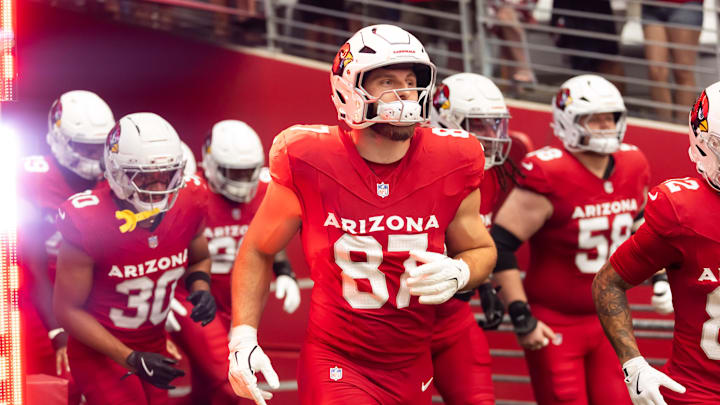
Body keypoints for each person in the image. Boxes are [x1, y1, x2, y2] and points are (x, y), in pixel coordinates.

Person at [227, 24, 497, 405]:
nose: (406, 93)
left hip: (412, 362)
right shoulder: (307, 158)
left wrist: (462, 272)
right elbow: (257, 248)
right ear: (348, 90)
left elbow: (481, 248)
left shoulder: (453, 158)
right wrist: (243, 335)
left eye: (411, 80)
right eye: (388, 81)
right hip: (338, 359)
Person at [490, 74, 658, 405]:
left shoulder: (633, 162)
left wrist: (662, 275)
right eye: (593, 118)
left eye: (610, 117)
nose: (605, 125)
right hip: (556, 320)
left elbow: (641, 221)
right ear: (568, 121)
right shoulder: (549, 171)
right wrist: (522, 316)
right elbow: (500, 244)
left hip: (612, 316)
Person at [53, 112, 217, 405]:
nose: (157, 188)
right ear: (117, 172)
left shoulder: (191, 199)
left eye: (165, 175)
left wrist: (201, 287)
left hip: (153, 344)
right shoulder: (88, 219)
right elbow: (67, 310)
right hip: (100, 351)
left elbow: (199, 258)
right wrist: (130, 359)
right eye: (145, 176)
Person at [593, 83, 720, 404]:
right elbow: (608, 282)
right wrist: (634, 366)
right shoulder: (683, 210)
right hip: (699, 394)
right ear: (703, 144)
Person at [167, 120, 301, 405]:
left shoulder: (266, 187)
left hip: (240, 296)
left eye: (248, 172)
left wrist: (284, 271)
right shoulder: (191, 191)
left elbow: (269, 238)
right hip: (196, 295)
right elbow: (161, 246)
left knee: (210, 388)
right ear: (211, 164)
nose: (242, 181)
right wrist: (162, 291)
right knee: (228, 376)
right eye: (234, 172)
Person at [17, 90, 114, 401]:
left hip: (96, 299)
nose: (93, 156)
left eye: (99, 147)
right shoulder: (29, 178)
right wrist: (58, 331)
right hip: (35, 295)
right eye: (84, 146)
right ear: (58, 137)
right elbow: (31, 264)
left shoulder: (114, 180)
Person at [427, 72, 515, 405]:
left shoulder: (490, 173)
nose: (492, 136)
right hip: (401, 325)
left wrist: (480, 282)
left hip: (455, 321)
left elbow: (476, 242)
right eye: (478, 125)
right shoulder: (418, 168)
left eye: (496, 124)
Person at [642, 0, 703, 122]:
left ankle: (683, 130)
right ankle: (664, 128)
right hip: (651, 7)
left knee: (683, 72)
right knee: (656, 71)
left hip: (685, 5)